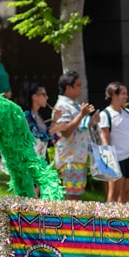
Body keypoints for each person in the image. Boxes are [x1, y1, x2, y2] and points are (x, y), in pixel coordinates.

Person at [50, 71, 95, 200]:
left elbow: (77, 129)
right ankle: (66, 221)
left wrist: (91, 122)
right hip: (69, 158)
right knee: (70, 200)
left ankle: (72, 221)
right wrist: (81, 115)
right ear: (68, 87)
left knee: (76, 198)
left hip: (77, 157)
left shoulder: (73, 105)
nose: (80, 88)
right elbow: (65, 131)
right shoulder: (62, 106)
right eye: (78, 85)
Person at [98, 81, 129, 203]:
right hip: (116, 159)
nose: (126, 96)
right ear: (113, 95)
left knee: (126, 193)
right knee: (114, 194)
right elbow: (104, 138)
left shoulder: (128, 113)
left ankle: (122, 220)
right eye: (123, 93)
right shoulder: (105, 114)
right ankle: (108, 220)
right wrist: (108, 163)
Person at [23, 82, 56, 159]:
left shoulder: (39, 115)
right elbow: (38, 137)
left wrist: (55, 119)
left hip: (42, 157)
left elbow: (49, 136)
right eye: (44, 95)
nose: (47, 98)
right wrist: (57, 128)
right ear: (34, 97)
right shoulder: (27, 116)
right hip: (33, 159)